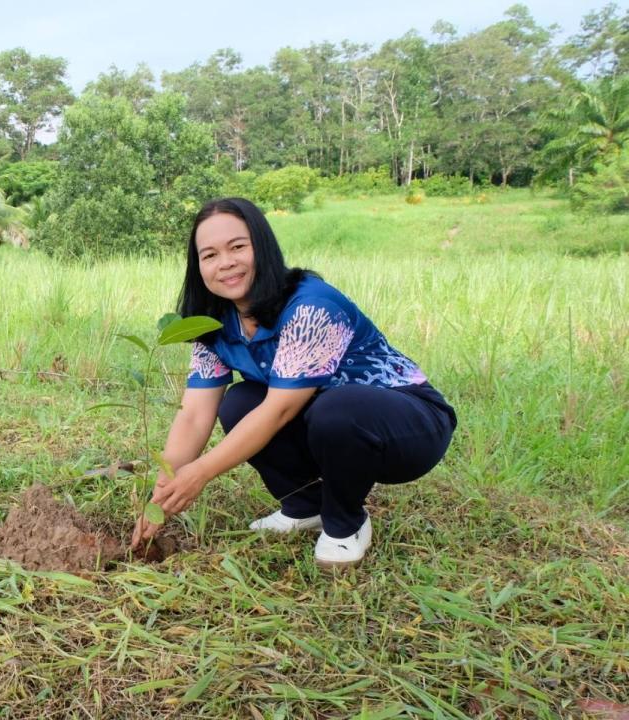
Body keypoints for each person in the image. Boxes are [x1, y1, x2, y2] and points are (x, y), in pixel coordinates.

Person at [130, 198, 456, 568]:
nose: (226, 263)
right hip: (322, 418)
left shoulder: (310, 307)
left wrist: (200, 473)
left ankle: (345, 523)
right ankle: (305, 505)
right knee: (239, 402)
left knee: (336, 409)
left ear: (263, 247)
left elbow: (280, 409)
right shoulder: (214, 324)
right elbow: (193, 416)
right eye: (210, 255)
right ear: (198, 266)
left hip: (409, 425)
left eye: (238, 247)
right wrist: (162, 493)